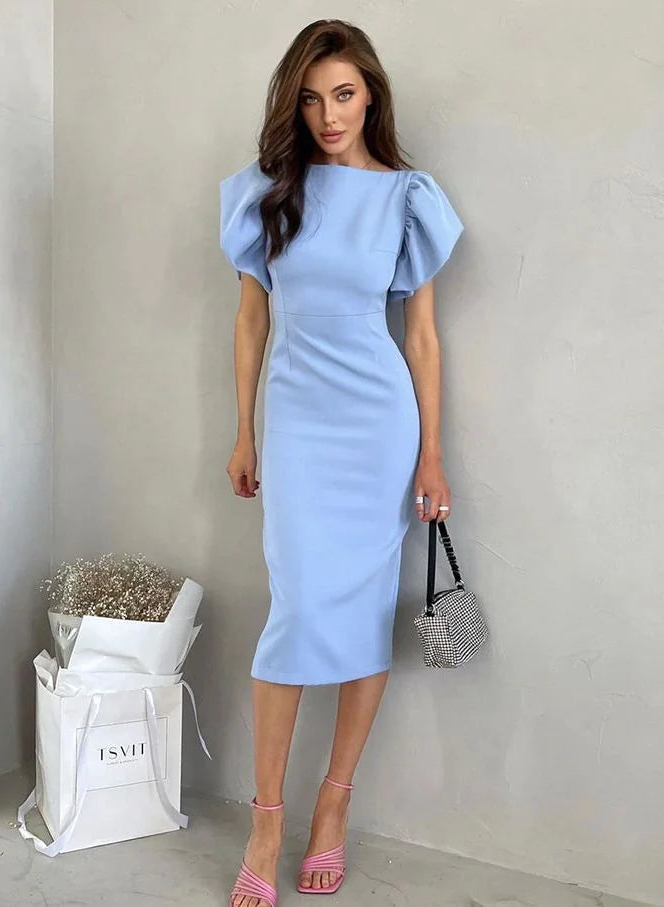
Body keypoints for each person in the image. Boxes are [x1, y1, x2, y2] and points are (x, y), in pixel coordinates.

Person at [219, 18, 464, 907]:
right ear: (294, 104)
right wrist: (244, 431)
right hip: (297, 420)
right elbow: (252, 318)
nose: (329, 115)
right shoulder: (266, 193)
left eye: (346, 95)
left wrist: (431, 453)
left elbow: (421, 337)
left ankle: (334, 803)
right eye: (313, 98)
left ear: (371, 97)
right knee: (293, 611)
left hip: (377, 425)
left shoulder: (407, 198)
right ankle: (267, 817)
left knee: (364, 614)